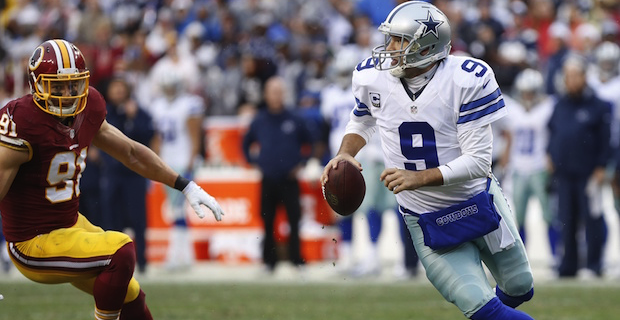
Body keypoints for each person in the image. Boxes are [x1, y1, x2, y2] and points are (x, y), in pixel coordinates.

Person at [321, 2, 534, 319]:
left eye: (398, 41)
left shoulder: (466, 80)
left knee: (520, 287)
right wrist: (346, 152)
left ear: (425, 48)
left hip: (478, 200)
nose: (389, 48)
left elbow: (478, 162)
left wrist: (419, 177)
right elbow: (362, 119)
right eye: (390, 39)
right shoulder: (373, 78)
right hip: (426, 217)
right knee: (482, 309)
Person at [0, 39, 224, 320]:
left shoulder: (88, 106)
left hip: (69, 225)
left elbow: (130, 152)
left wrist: (184, 184)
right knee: (121, 251)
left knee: (131, 294)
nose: (67, 94)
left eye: (73, 84)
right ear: (36, 85)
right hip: (32, 242)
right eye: (57, 85)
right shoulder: (21, 122)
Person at [547, 55, 612, 278]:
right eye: (568, 76)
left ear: (584, 77)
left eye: (575, 75)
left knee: (591, 219)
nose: (571, 80)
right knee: (566, 221)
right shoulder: (560, 104)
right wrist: (549, 154)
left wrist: (602, 166)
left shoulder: (598, 105)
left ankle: (594, 265)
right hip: (564, 174)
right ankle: (568, 266)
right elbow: (553, 132)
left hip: (589, 173)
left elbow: (606, 140)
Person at [242, 76, 313, 274]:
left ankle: (297, 260)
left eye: (279, 91)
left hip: (290, 179)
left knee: (294, 221)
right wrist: (255, 162)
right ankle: (269, 262)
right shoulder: (259, 120)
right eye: (272, 91)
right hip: (268, 179)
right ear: (266, 94)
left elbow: (311, 143)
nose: (276, 95)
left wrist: (302, 163)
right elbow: (246, 143)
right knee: (267, 221)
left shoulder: (294, 118)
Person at [150, 71, 206, 271]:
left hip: (183, 161)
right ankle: (185, 256)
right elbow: (157, 138)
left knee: (179, 208)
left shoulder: (189, 104)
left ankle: (176, 256)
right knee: (176, 210)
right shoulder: (158, 106)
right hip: (166, 162)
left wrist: (192, 161)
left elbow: (195, 136)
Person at [100, 77, 155, 274]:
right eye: (114, 88)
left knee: (138, 218)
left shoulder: (139, 112)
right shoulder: (104, 113)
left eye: (121, 88)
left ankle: (142, 261)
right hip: (113, 173)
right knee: (112, 219)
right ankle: (114, 262)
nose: (118, 92)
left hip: (134, 174)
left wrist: (133, 118)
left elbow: (148, 135)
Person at [505, 69, 558, 260]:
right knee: (517, 217)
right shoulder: (512, 109)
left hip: (540, 167)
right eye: (525, 91)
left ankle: (555, 256)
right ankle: (520, 259)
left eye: (531, 91)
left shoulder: (548, 107)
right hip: (518, 168)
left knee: (550, 215)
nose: (528, 95)